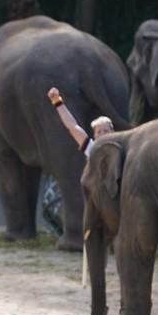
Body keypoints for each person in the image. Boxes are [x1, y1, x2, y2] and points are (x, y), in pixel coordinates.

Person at [40, 87, 116, 235]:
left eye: (105, 131)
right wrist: (58, 102)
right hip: (98, 201)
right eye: (99, 132)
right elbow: (72, 126)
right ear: (94, 135)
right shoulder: (92, 149)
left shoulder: (122, 148)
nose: (102, 134)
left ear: (113, 132)